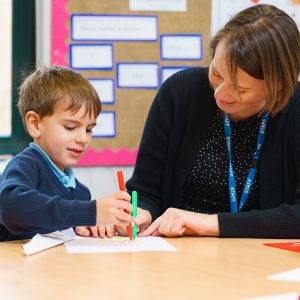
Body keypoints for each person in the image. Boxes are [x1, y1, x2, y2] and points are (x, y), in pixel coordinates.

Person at [125, 4, 300, 238]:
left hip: (261, 260)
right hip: (176, 254)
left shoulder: (295, 111)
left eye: (241, 89)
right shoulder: (181, 92)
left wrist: (209, 224)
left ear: (278, 85)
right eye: (217, 74)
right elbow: (145, 190)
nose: (220, 94)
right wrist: (142, 212)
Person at [0, 66, 133, 241]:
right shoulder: (26, 165)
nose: (83, 138)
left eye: (89, 129)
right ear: (35, 124)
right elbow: (12, 207)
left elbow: (62, 220)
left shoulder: (80, 193)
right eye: (70, 127)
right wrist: (90, 212)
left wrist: (93, 224)